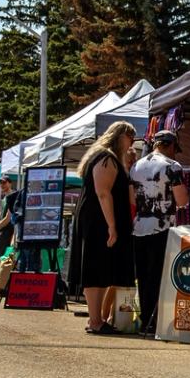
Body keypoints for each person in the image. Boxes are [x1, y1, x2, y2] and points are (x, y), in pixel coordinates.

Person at [69, 122, 136, 334]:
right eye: (129, 136)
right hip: (98, 220)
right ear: (118, 135)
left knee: (102, 268)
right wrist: (112, 226)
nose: (132, 140)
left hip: (99, 219)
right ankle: (95, 320)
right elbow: (103, 192)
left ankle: (96, 320)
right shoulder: (106, 157)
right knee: (95, 267)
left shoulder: (110, 158)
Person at [130, 130, 190, 337]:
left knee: (144, 277)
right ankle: (157, 322)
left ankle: (145, 319)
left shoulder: (136, 166)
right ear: (170, 145)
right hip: (162, 226)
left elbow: (132, 199)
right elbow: (182, 201)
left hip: (139, 226)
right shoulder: (172, 167)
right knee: (160, 276)